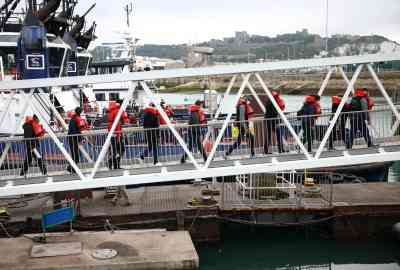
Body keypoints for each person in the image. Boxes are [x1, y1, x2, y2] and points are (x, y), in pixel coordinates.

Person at [107, 100, 129, 170]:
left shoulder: (110, 112)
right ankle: (116, 164)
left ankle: (111, 164)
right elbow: (125, 121)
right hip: (117, 133)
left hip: (112, 133)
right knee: (120, 149)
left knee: (114, 150)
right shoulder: (119, 111)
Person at [67, 107, 87, 173]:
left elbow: (77, 130)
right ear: (80, 112)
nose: (83, 113)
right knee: (75, 154)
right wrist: (81, 138)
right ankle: (70, 167)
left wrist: (81, 138)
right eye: (82, 112)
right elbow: (76, 130)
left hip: (73, 138)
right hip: (73, 139)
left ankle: (72, 168)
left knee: (76, 154)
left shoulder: (74, 118)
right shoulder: (75, 119)